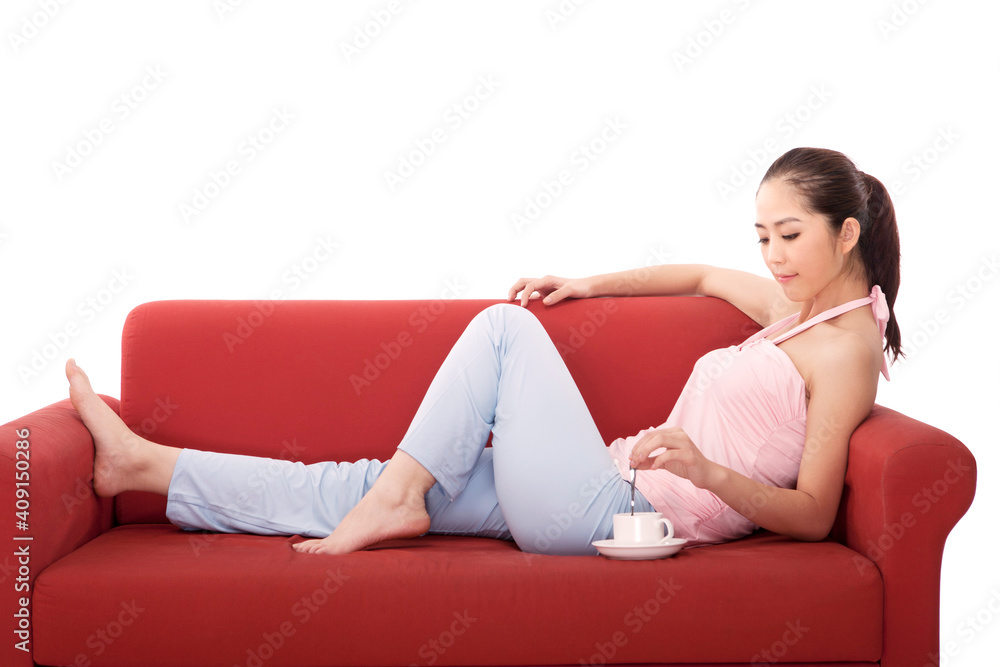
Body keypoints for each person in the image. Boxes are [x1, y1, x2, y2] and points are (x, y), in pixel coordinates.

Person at [65, 147, 901, 556]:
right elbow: (701, 276)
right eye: (763, 237)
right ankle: (145, 467)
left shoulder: (846, 351)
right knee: (362, 481)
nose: (773, 257)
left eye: (789, 236)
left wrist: (708, 473)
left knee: (505, 329)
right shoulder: (794, 312)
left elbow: (817, 512)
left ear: (847, 231)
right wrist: (586, 282)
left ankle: (394, 498)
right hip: (596, 482)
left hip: (622, 515)